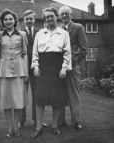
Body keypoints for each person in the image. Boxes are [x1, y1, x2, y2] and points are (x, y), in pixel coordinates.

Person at [30, 7, 71, 138]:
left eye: (51, 16)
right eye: (47, 17)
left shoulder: (64, 33)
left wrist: (64, 68)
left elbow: (67, 52)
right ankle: (38, 127)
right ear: (44, 19)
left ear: (56, 16)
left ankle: (54, 125)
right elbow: (35, 52)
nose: (49, 19)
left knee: (56, 98)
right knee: (40, 98)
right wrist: (35, 66)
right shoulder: (39, 34)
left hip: (57, 66)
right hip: (43, 66)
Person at [0, 9, 29, 139]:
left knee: (18, 100)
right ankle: (9, 127)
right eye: (6, 19)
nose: (8, 21)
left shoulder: (22, 34)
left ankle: (16, 127)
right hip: (4, 70)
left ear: (15, 21)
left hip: (19, 69)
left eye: (10, 19)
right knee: (6, 100)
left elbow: (25, 53)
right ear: (3, 22)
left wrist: (26, 71)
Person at [58, 6, 88, 130]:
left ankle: (76, 121)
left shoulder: (78, 27)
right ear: (60, 16)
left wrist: (75, 61)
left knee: (74, 94)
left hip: (73, 66)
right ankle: (61, 121)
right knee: (59, 94)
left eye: (66, 14)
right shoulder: (58, 30)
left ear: (71, 15)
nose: (64, 16)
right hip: (59, 68)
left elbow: (84, 49)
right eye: (62, 14)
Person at [19, 10, 47, 129]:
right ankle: (21, 121)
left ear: (34, 20)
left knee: (37, 94)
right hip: (23, 68)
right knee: (22, 95)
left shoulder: (40, 33)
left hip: (36, 68)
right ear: (24, 20)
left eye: (31, 19)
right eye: (27, 19)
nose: (29, 21)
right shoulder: (20, 34)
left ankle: (37, 120)